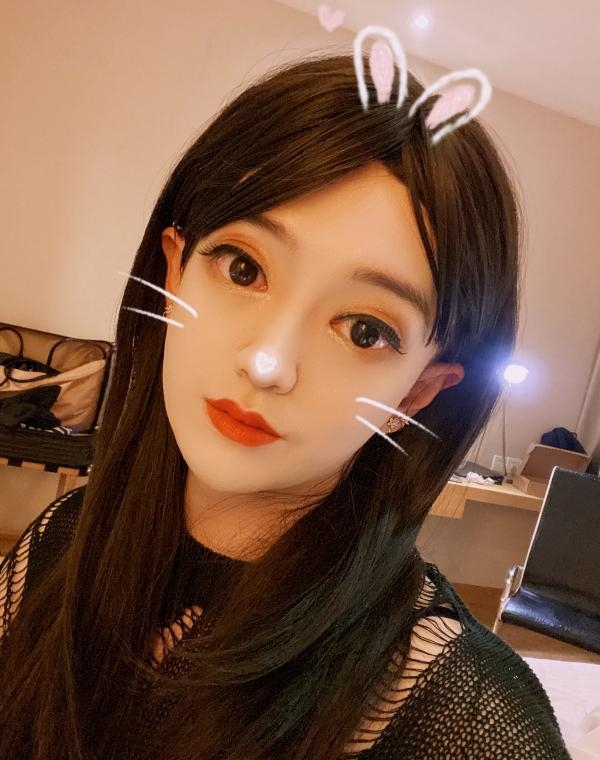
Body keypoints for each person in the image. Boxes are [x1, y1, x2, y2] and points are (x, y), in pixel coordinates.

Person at [0, 37, 571, 760]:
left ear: (420, 390)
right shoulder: (65, 538)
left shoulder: (462, 716)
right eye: (243, 268)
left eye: (364, 330)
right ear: (174, 273)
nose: (268, 363)